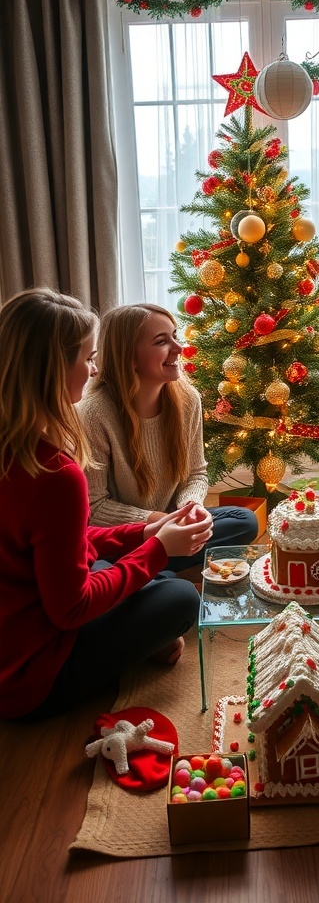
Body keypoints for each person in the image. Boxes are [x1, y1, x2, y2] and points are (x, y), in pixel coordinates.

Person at [0, 288, 205, 722]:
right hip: (29, 678)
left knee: (124, 570)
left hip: (20, 628)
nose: (95, 369)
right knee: (181, 597)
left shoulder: (14, 451)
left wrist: (143, 534)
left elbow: (63, 543)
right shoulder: (53, 473)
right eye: (89, 358)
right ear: (56, 367)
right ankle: (150, 636)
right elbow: (71, 608)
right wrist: (159, 550)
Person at [77, 303, 258, 573]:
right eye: (162, 341)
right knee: (100, 565)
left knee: (244, 521)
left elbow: (196, 474)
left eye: (175, 336)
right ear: (131, 357)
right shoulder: (93, 412)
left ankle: (158, 571)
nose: (178, 348)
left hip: (172, 524)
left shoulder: (187, 399)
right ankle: (160, 567)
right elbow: (96, 508)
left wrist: (191, 508)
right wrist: (160, 524)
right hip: (128, 536)